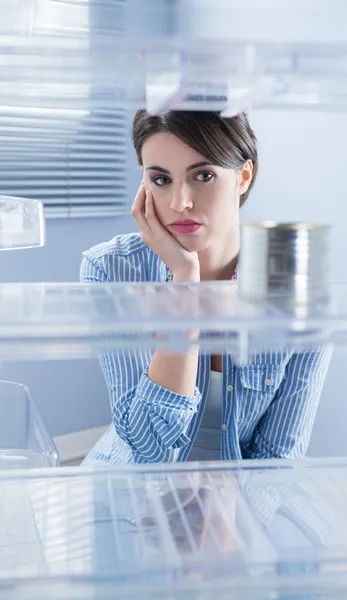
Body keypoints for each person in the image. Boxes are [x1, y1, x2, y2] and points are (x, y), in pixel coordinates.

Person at [80, 110, 331, 466]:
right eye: (161, 180)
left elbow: (279, 456)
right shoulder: (111, 268)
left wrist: (236, 518)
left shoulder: (296, 287)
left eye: (203, 175)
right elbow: (146, 446)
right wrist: (185, 281)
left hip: (245, 493)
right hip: (133, 483)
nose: (181, 202)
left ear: (244, 176)